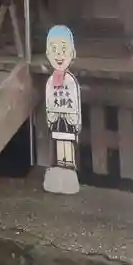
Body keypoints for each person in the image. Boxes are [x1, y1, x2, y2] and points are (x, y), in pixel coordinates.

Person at [43, 24, 82, 194]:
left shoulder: (71, 81)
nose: (59, 55)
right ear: (48, 54)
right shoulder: (50, 82)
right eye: (54, 49)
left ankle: (69, 167)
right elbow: (49, 99)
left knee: (68, 143)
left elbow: (74, 98)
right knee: (58, 142)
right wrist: (51, 115)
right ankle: (60, 166)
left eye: (63, 49)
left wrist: (75, 118)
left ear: (72, 53)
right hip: (56, 118)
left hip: (68, 118)